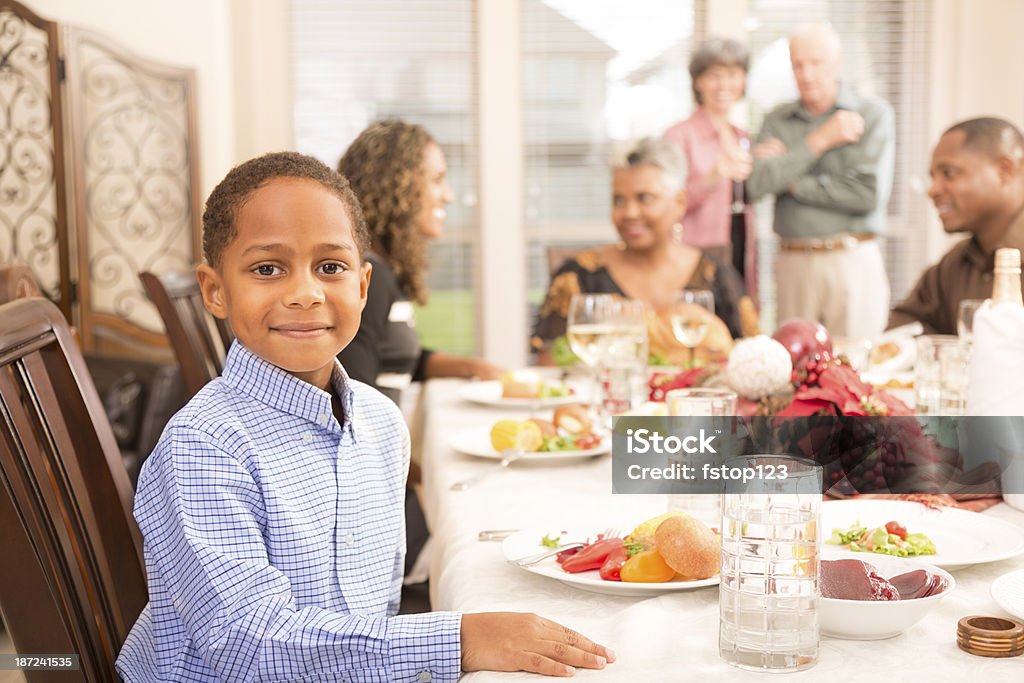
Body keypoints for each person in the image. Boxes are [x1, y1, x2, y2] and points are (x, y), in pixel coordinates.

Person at [116, 152, 614, 681]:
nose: (306, 293)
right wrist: (458, 639)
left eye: (330, 267)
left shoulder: (380, 424)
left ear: (362, 285)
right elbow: (247, 644)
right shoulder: (204, 445)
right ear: (215, 290)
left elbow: (374, 611)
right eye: (267, 269)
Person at [532, 138, 759, 367]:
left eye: (644, 198)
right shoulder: (578, 277)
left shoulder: (717, 276)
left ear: (679, 202)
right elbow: (549, 368)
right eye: (618, 200)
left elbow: (755, 359)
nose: (629, 213)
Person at [747, 22, 895, 339]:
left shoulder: (872, 114)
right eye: (798, 65)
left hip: (851, 259)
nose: (807, 74)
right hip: (793, 262)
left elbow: (866, 195)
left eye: (816, 63)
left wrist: (791, 179)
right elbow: (757, 184)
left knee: (857, 368)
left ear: (838, 63)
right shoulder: (777, 119)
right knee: (794, 371)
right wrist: (820, 140)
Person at [337, 120, 502, 404]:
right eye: (437, 180)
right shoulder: (368, 279)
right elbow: (351, 398)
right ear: (396, 186)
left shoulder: (379, 269)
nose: (448, 195)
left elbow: (395, 356)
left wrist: (474, 368)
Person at [888, 117, 1024, 334]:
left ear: (1005, 170)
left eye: (948, 173)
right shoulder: (954, 264)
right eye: (933, 176)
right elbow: (902, 327)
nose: (932, 190)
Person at [664, 37, 758, 298]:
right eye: (714, 76)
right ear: (698, 82)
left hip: (739, 249)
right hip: (696, 258)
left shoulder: (744, 137)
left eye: (732, 75)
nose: (724, 85)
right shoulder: (678, 136)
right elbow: (667, 204)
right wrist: (711, 178)